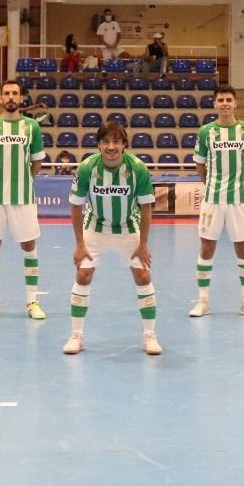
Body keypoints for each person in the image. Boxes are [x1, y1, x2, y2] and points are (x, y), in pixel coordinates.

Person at [64, 122, 161, 356]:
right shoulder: (87, 168)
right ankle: (77, 335)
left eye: (116, 141)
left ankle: (150, 336)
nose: (111, 146)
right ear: (98, 145)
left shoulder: (137, 168)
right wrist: (79, 244)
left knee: (143, 274)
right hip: (95, 227)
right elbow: (76, 206)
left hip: (128, 227)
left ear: (124, 145)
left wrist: (143, 244)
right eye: (106, 141)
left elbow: (147, 207)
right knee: (83, 274)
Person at [0, 79, 49, 319]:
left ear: (21, 99)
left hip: (24, 198)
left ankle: (32, 302)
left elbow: (37, 162)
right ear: (0, 98)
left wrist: (22, 181)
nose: (10, 97)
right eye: (6, 93)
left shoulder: (31, 127)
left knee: (28, 246)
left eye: (14, 93)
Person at [190, 86, 244, 319]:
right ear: (214, 104)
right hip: (212, 200)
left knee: (243, 250)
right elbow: (200, 166)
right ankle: (203, 301)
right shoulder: (205, 132)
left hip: (240, 200)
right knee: (206, 248)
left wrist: (237, 184)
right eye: (220, 99)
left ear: (235, 103)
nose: (224, 103)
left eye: (228, 99)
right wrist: (213, 184)